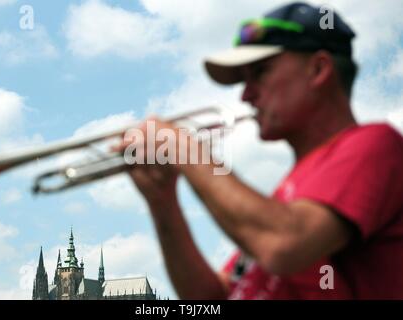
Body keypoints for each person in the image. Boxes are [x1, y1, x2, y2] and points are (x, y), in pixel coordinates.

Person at [116, 2, 403, 299]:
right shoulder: (286, 199)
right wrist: (163, 203)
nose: (245, 94)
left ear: (318, 69)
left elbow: (285, 244)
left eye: (260, 72)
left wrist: (186, 150)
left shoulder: (377, 145)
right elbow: (212, 298)